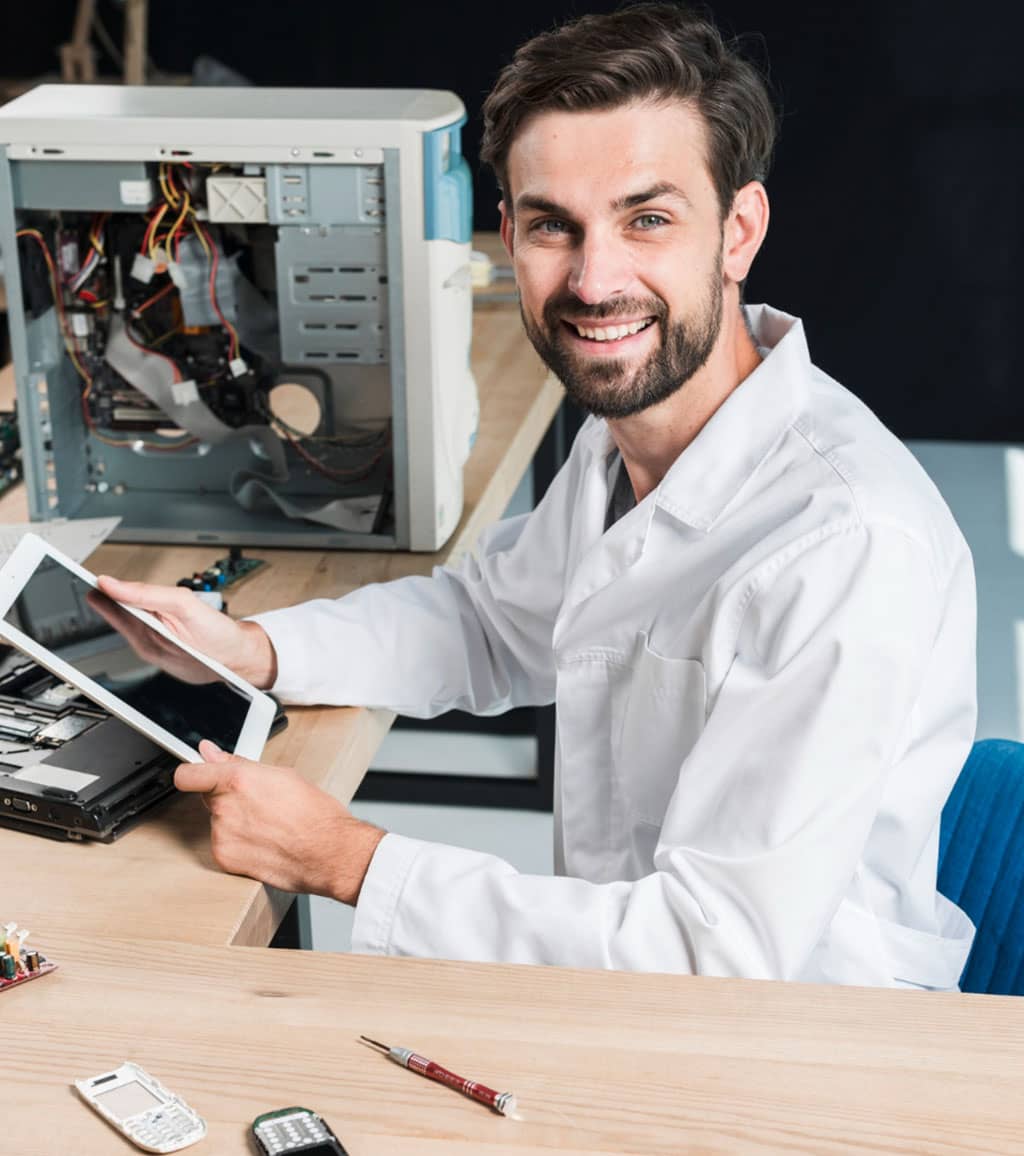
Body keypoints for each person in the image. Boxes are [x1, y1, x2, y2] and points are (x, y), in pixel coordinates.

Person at [100, 2, 977, 988]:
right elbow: (489, 625)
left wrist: (344, 857)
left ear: (737, 232)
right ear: (508, 235)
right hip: (630, 990)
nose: (596, 280)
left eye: (647, 219)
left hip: (797, 1049)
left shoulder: (845, 541)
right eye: (556, 226)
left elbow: (715, 951)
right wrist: (254, 647)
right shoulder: (636, 438)